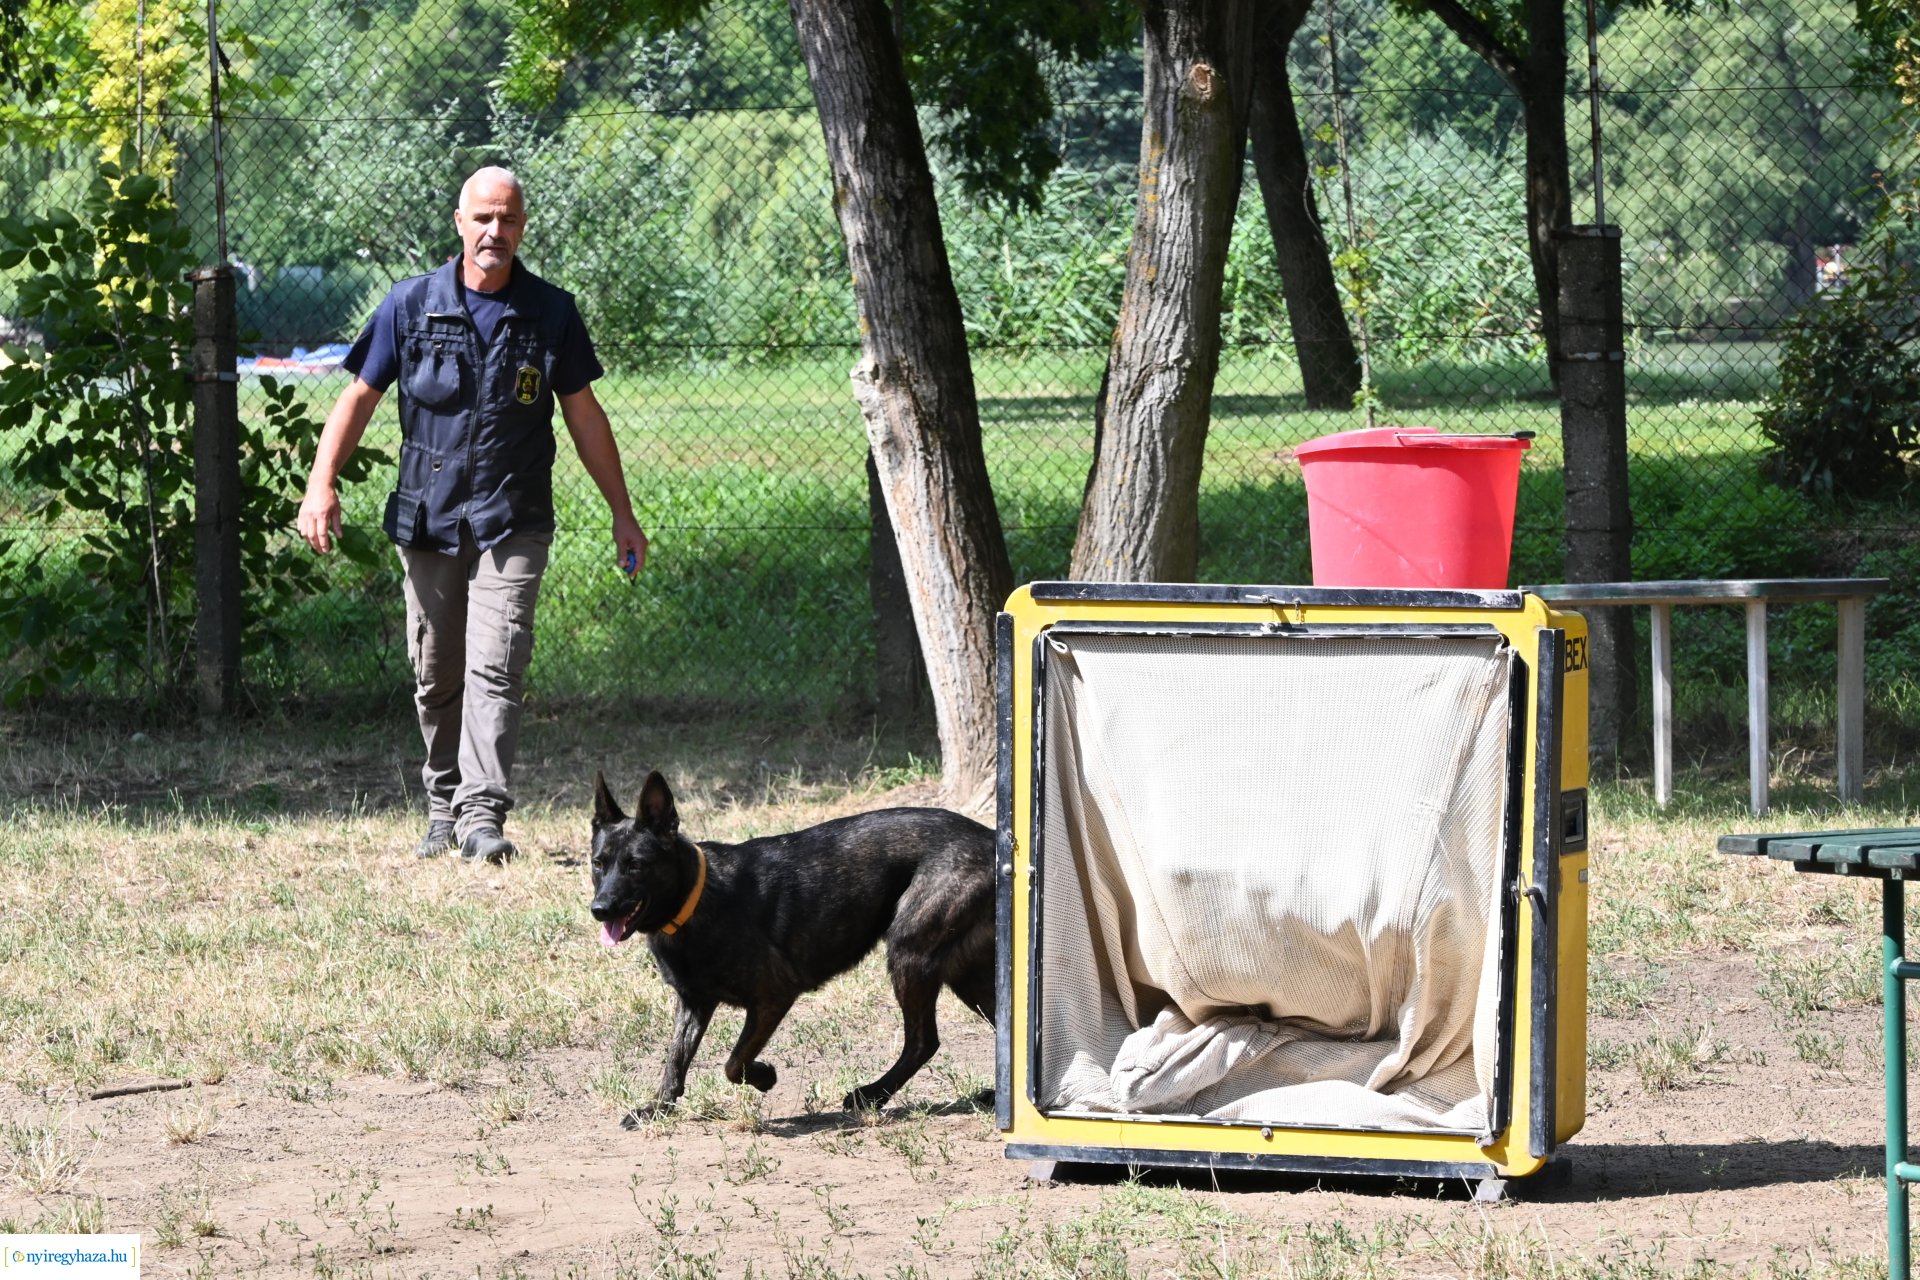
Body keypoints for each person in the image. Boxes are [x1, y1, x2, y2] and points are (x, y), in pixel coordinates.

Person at [298, 166, 648, 864]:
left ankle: (482, 816)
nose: (496, 232)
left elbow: (585, 418)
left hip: (512, 517)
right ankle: (442, 803)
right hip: (428, 517)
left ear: (523, 226)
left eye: (509, 219)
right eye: (483, 218)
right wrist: (320, 485)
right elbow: (359, 399)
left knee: (499, 664)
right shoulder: (410, 305)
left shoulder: (552, 314)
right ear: (459, 222)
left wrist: (623, 514)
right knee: (436, 672)